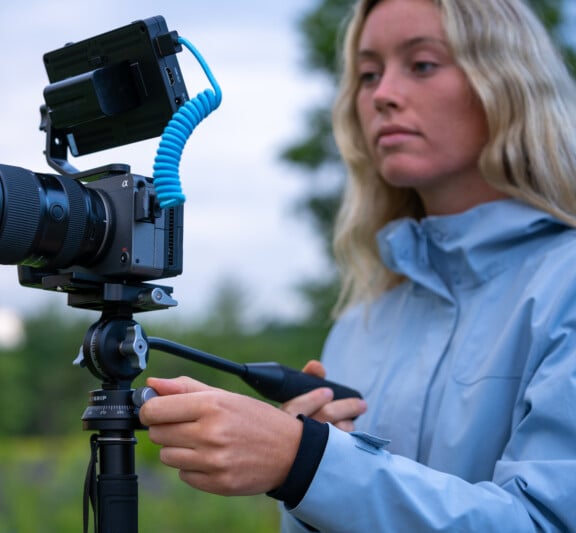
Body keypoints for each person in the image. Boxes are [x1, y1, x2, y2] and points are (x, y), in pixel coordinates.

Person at [138, 0, 576, 530]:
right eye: (368, 75)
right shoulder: (359, 324)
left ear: (506, 82)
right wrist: (318, 468)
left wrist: (304, 462)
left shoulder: (565, 285)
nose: (384, 95)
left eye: (422, 65)